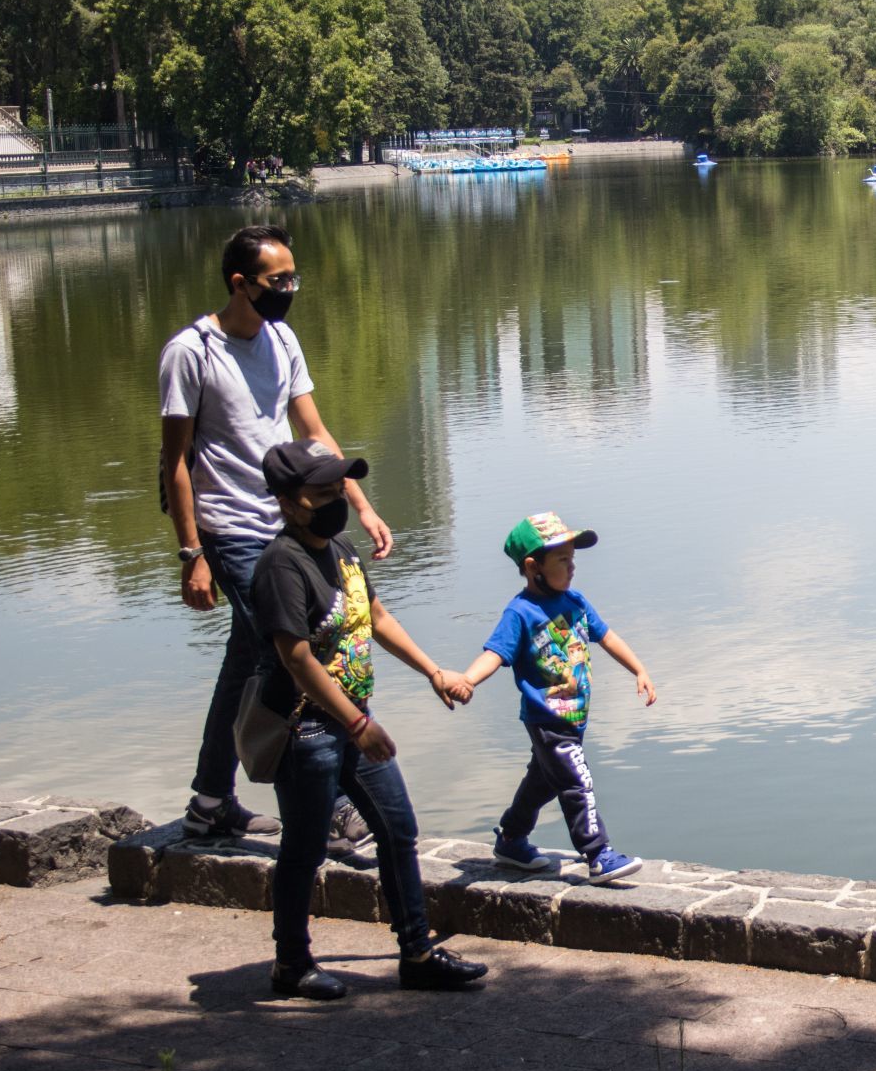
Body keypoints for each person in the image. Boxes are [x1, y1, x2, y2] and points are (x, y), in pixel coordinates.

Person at [159, 225, 388, 850]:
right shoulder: (192, 352)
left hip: (286, 521)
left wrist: (360, 504)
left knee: (246, 664)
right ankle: (334, 801)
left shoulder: (282, 339)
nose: (290, 289)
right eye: (278, 280)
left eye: (293, 277)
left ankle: (209, 804)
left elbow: (313, 430)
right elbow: (174, 461)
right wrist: (192, 555)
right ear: (241, 283)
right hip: (230, 529)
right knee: (295, 654)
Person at [251, 440, 487, 1000]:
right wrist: (357, 724)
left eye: (340, 490)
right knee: (305, 849)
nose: (336, 500)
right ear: (288, 501)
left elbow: (375, 616)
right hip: (308, 728)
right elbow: (297, 658)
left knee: (398, 830)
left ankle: (418, 954)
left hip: (355, 721)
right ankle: (291, 964)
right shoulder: (280, 565)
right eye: (323, 493)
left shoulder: (340, 546)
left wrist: (433, 671)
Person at [454, 512, 654, 884]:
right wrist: (468, 679)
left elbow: (607, 636)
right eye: (563, 560)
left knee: (542, 783)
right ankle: (597, 854)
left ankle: (511, 839)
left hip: (575, 717)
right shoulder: (520, 612)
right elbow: (496, 653)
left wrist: (638, 669)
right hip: (547, 719)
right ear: (533, 567)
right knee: (577, 782)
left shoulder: (575, 602)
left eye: (572, 558)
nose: (573, 566)